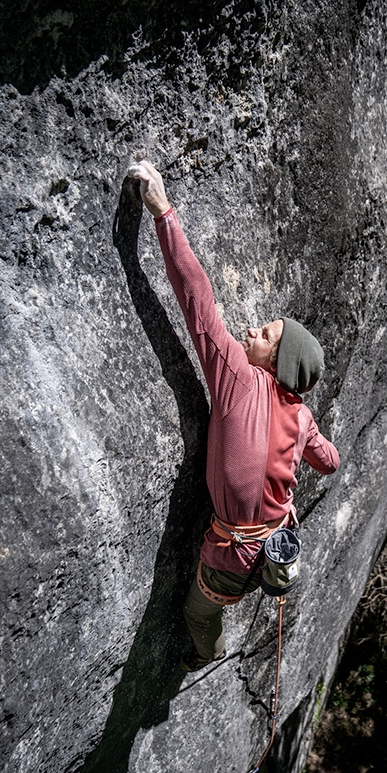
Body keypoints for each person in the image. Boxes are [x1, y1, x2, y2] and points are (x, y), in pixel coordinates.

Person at [128, 161, 340, 671]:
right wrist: (307, 452)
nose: (251, 332)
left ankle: (208, 652)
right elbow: (329, 463)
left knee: (197, 612)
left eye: (265, 335)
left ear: (278, 361)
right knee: (226, 592)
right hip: (271, 540)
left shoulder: (240, 382)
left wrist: (163, 213)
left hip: (232, 554)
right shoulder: (301, 416)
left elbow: (198, 305)